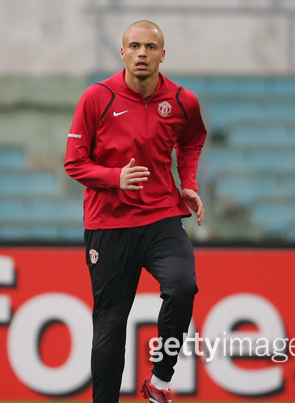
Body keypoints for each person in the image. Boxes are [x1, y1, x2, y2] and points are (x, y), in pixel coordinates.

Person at [65, 20, 207, 403]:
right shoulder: (97, 98)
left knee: (182, 287)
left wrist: (188, 182)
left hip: (161, 217)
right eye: (135, 46)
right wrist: (115, 178)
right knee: (110, 326)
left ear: (163, 54)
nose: (142, 53)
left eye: (150, 46)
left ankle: (159, 382)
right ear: (123, 52)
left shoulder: (182, 101)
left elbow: (193, 140)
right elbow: (74, 163)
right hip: (108, 225)